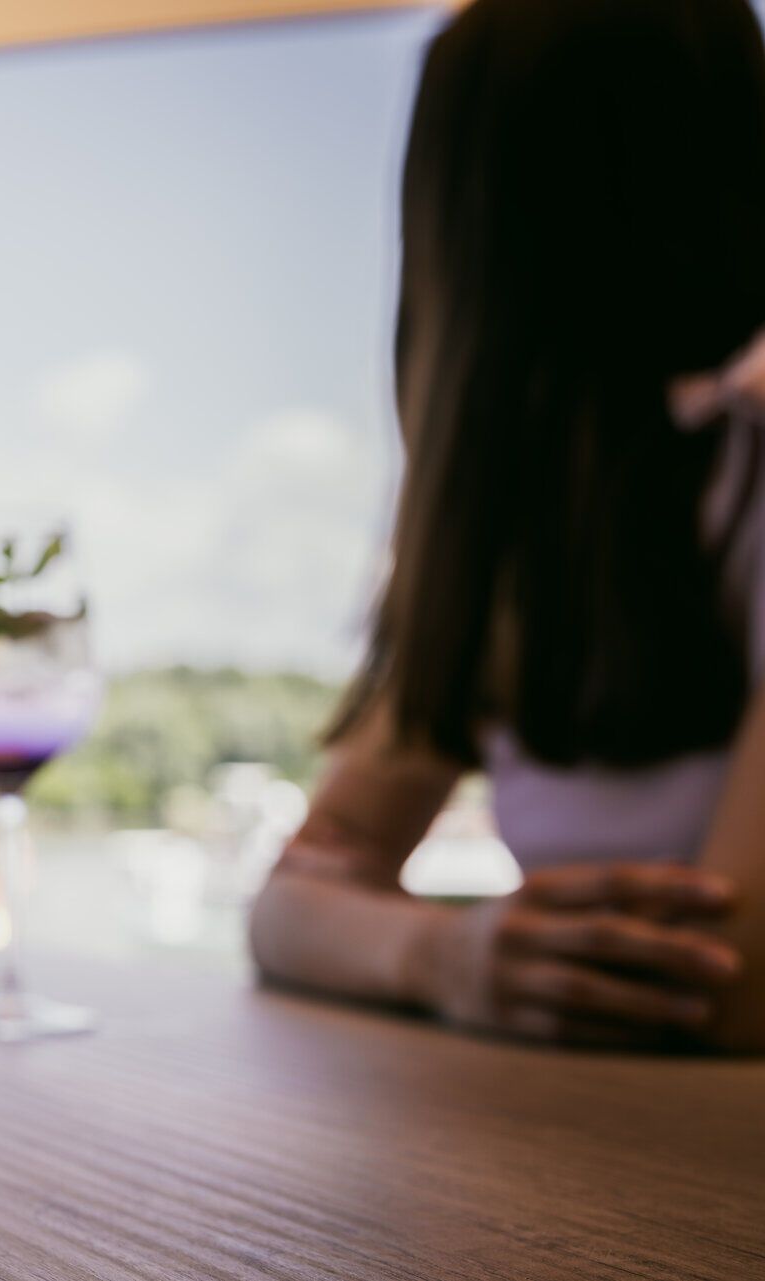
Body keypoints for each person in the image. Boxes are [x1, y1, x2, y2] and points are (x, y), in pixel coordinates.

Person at [248, 0, 765, 1052]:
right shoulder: (521, 547)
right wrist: (444, 957)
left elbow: (723, 985)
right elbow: (284, 909)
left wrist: (420, 947)